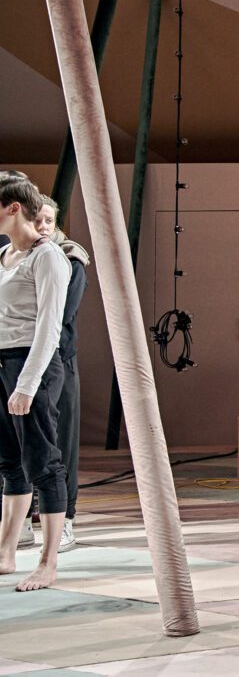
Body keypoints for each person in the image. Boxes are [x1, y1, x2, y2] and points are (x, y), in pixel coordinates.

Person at [0, 171, 71, 591]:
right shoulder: (6, 255)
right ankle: (5, 553)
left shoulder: (48, 257)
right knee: (10, 463)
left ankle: (47, 562)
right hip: (3, 361)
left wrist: (27, 384)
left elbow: (48, 327)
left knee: (43, 463)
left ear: (13, 208)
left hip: (33, 365)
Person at [33, 195, 89, 552]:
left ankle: (65, 518)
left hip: (57, 359)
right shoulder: (15, 257)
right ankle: (22, 519)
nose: (41, 227)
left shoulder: (70, 258)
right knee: (19, 440)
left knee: (61, 439)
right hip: (20, 359)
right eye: (36, 220)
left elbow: (60, 315)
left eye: (47, 221)